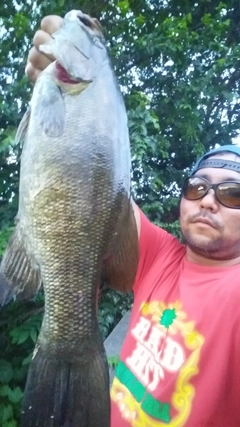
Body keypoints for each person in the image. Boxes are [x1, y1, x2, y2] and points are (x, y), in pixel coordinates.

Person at [26, 15, 240, 427]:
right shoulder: (163, 255)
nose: (209, 201)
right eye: (197, 187)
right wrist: (53, 83)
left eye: (232, 193)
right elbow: (92, 199)